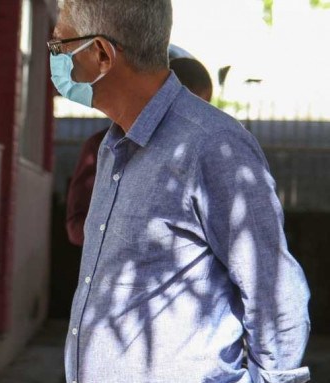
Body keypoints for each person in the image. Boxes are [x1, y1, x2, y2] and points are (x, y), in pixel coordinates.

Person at [49, 1, 311, 382]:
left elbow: (275, 296)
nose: (54, 61)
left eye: (59, 46)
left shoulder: (212, 145)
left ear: (102, 54)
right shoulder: (113, 146)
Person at [65, 55, 214, 246]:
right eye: (183, 111)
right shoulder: (103, 148)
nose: (193, 122)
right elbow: (76, 226)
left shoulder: (203, 155)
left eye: (202, 112)